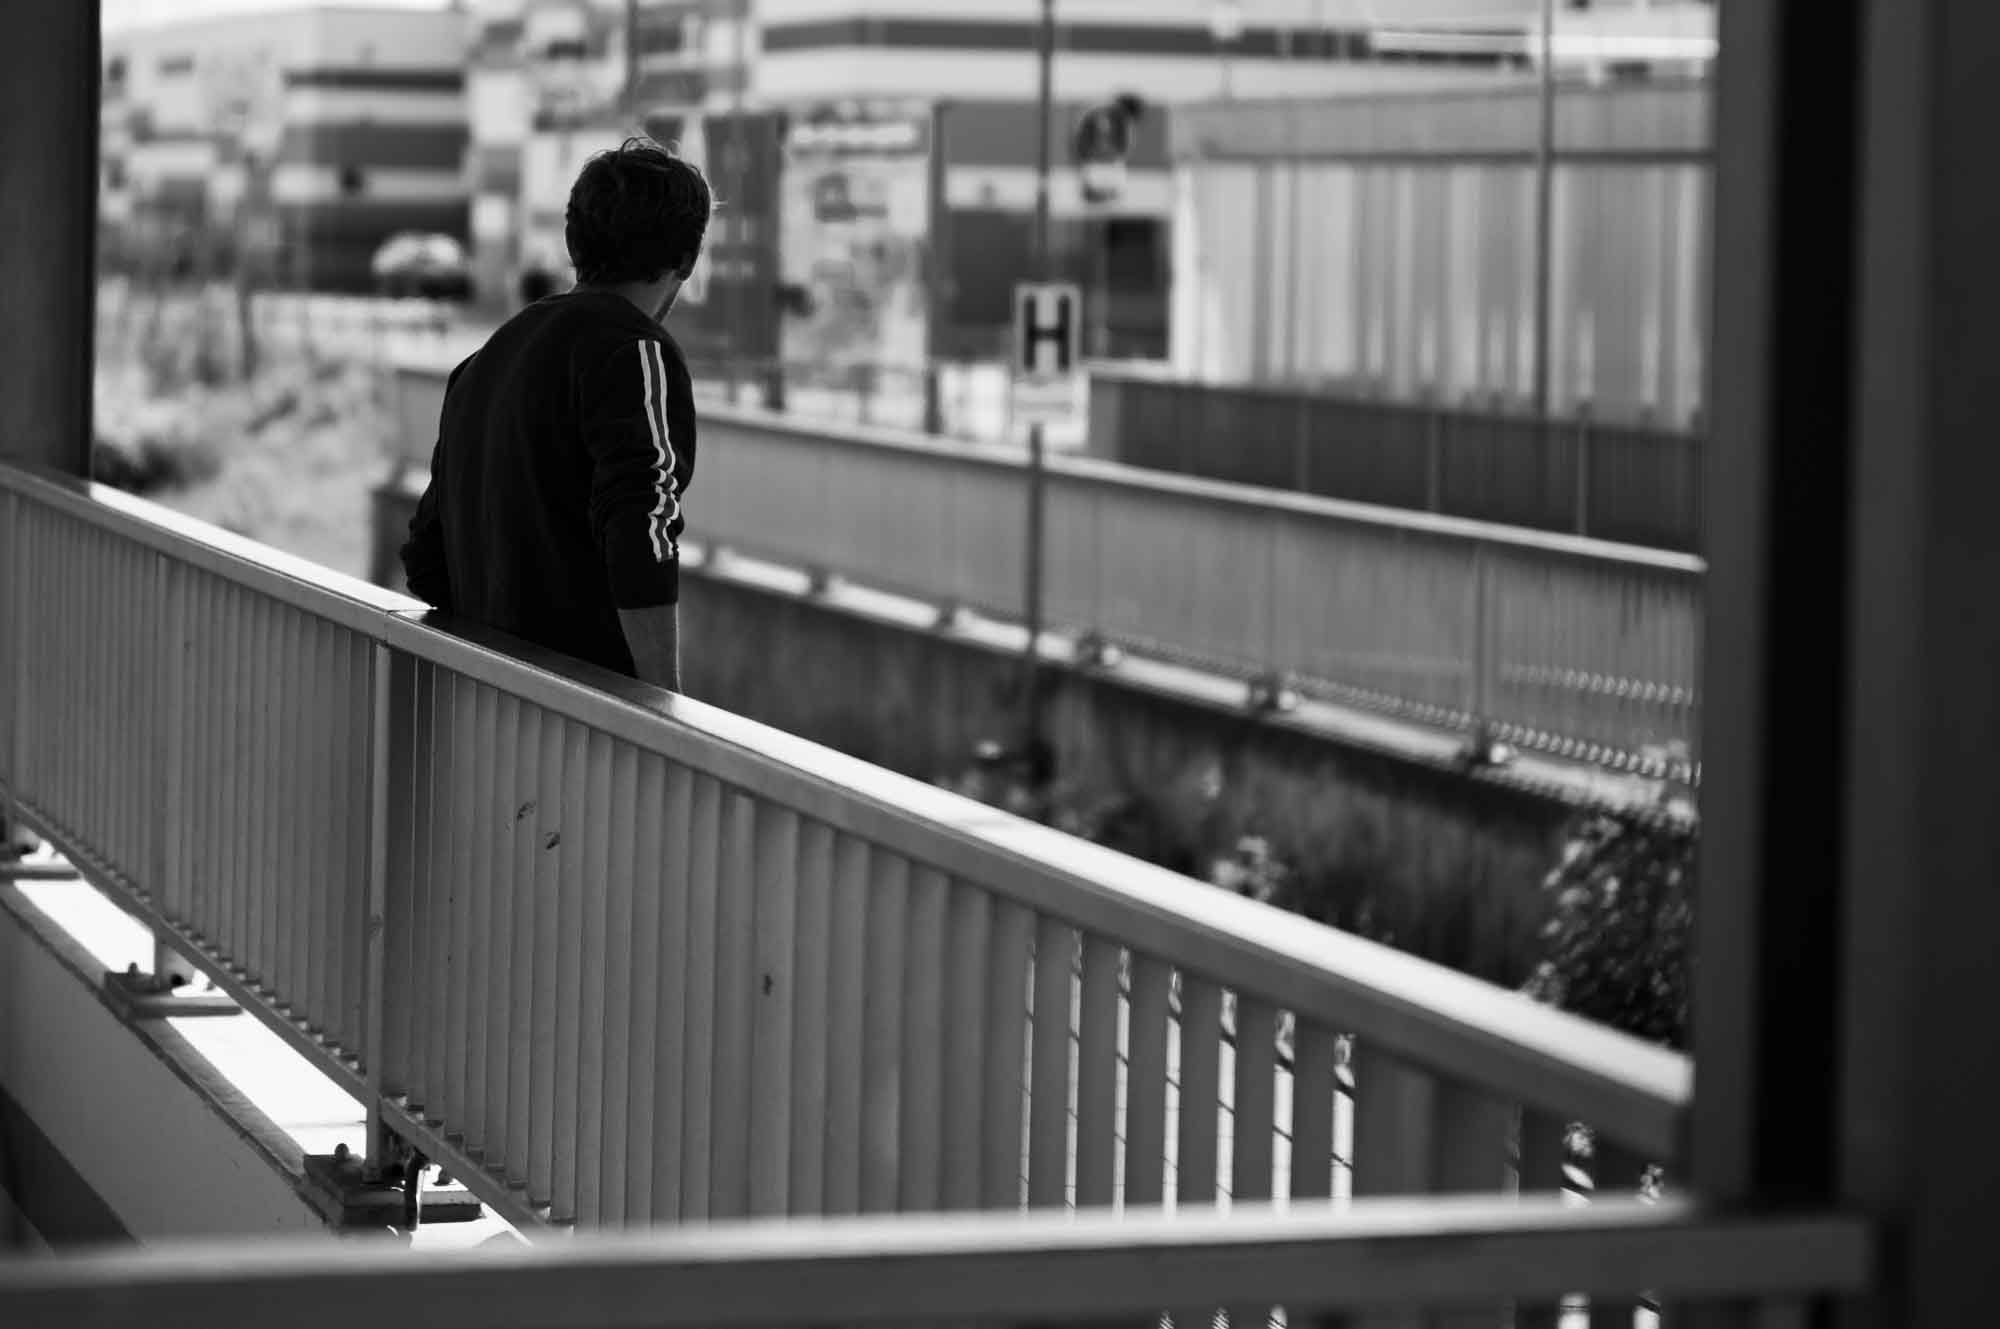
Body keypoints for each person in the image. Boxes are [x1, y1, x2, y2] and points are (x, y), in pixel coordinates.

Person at [401, 139, 710, 692]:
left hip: (490, 705)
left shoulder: (482, 364)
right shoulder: (636, 351)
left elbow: (427, 561)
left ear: (574, 242)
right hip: (588, 714)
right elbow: (642, 526)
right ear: (686, 259)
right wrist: (663, 707)